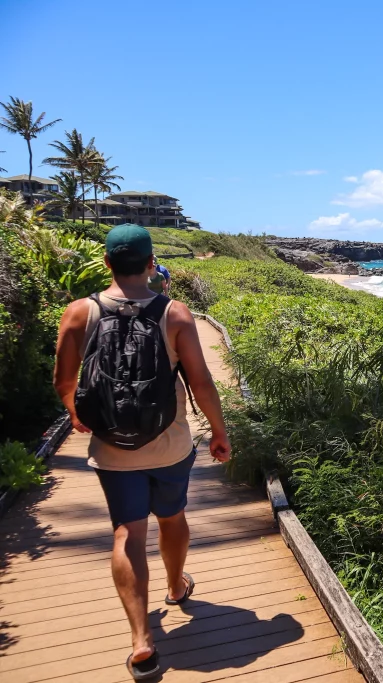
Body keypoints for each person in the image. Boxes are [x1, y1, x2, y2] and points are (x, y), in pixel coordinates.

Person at [53, 224, 231, 680]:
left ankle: (141, 641)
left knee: (126, 534)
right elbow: (203, 383)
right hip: (169, 443)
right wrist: (218, 431)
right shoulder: (174, 313)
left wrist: (78, 414)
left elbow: (64, 380)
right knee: (171, 517)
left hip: (112, 448)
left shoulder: (79, 312)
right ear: (151, 263)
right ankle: (175, 586)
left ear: (108, 263)